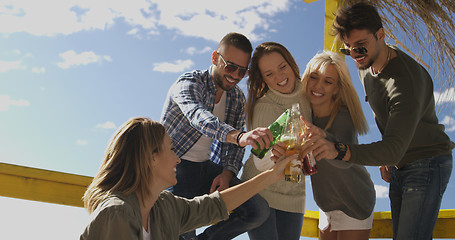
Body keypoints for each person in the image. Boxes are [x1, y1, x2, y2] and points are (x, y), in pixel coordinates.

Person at [299, 3, 454, 240]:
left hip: (427, 162)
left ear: (380, 35)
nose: (355, 56)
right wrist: (386, 155)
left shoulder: (405, 83)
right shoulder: (365, 64)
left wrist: (341, 150)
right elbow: (391, 131)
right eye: (348, 49)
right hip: (398, 163)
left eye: (360, 48)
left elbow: (392, 148)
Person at [80, 117, 295, 240]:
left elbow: (215, 205)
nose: (177, 159)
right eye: (171, 149)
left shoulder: (163, 206)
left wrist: (272, 176)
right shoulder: (116, 213)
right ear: (151, 158)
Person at [160, 32, 272, 240]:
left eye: (242, 71)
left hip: (206, 170)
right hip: (171, 169)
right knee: (182, 229)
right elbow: (198, 117)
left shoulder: (237, 98)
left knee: (257, 210)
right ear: (214, 58)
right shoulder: (189, 82)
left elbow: (235, 148)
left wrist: (228, 173)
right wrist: (238, 136)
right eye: (230, 67)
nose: (236, 76)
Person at [240, 42, 312, 240]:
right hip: (259, 190)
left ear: (291, 64)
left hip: (293, 191)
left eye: (282, 67)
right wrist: (275, 155)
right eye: (269, 74)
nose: (280, 77)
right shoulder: (264, 106)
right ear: (262, 78)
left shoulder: (307, 98)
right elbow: (259, 161)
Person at [301, 51, 375, 240]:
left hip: (354, 201)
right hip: (326, 203)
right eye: (314, 78)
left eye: (328, 81)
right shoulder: (303, 116)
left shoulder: (344, 117)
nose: (318, 86)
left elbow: (344, 162)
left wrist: (325, 138)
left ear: (336, 89)